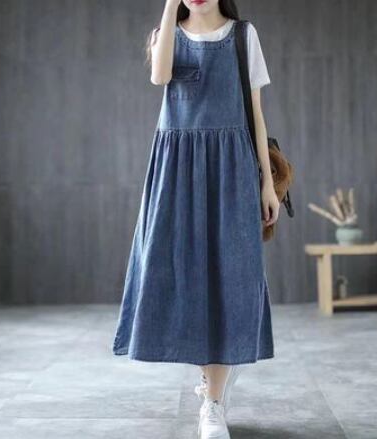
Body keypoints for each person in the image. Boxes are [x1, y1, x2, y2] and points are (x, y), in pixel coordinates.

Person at [112, 1, 279, 437]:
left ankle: (213, 403)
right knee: (182, 277)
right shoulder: (165, 34)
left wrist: (266, 182)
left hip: (231, 168)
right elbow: (159, 76)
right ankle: (211, 382)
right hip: (177, 171)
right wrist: (170, 10)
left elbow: (256, 115)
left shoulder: (243, 37)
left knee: (231, 278)